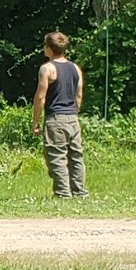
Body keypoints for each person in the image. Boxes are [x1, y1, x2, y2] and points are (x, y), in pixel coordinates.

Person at [32, 30, 88, 198]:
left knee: (57, 158)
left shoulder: (47, 69)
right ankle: (80, 192)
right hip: (73, 118)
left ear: (49, 48)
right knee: (76, 157)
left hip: (55, 119)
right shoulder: (75, 68)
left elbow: (40, 97)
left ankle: (63, 193)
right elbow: (79, 95)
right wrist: (74, 113)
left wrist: (35, 121)